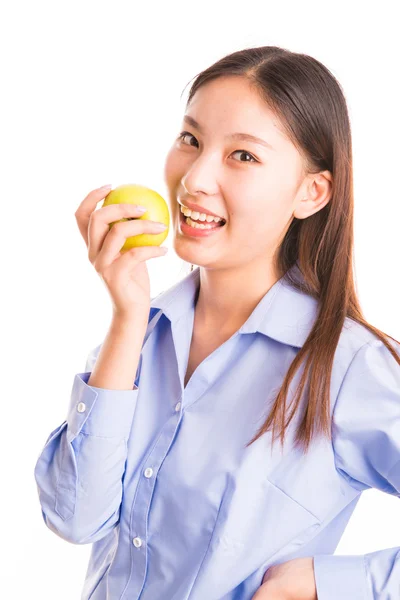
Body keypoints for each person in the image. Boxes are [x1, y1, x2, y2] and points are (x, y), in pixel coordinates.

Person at [34, 45, 400, 600]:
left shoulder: (349, 368)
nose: (196, 178)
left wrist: (324, 584)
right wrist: (128, 316)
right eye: (191, 140)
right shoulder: (142, 333)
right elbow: (74, 518)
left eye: (244, 156)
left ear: (311, 192)